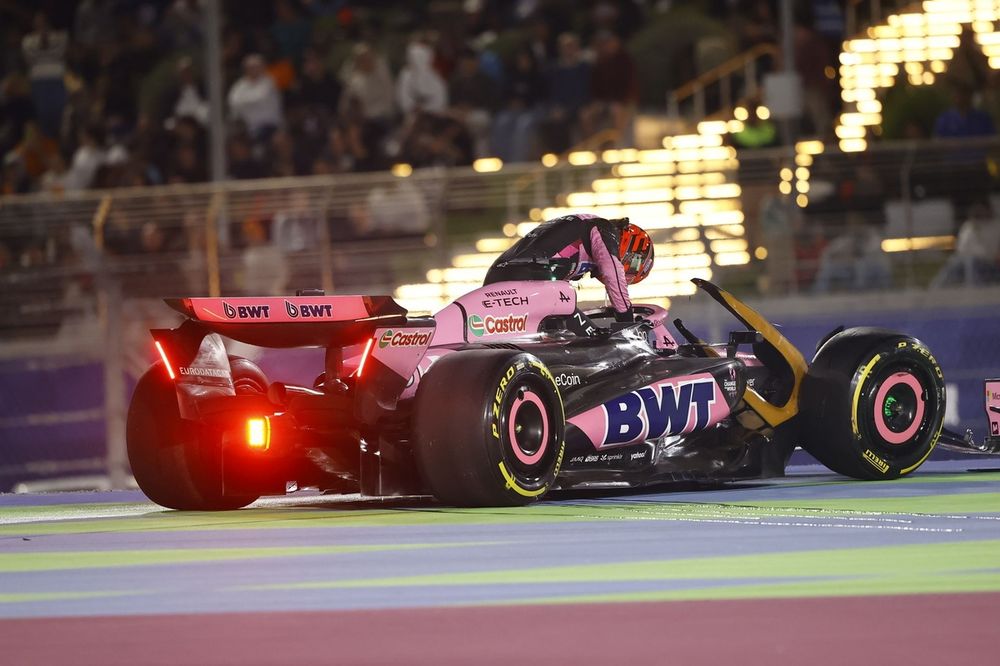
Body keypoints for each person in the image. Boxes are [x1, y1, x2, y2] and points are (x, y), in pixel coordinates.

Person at [483, 214, 653, 323]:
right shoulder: (604, 229)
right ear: (631, 246)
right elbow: (613, 274)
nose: (626, 272)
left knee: (563, 311)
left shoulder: (581, 224)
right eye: (633, 266)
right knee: (567, 295)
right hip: (528, 278)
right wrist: (626, 319)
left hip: (498, 275)